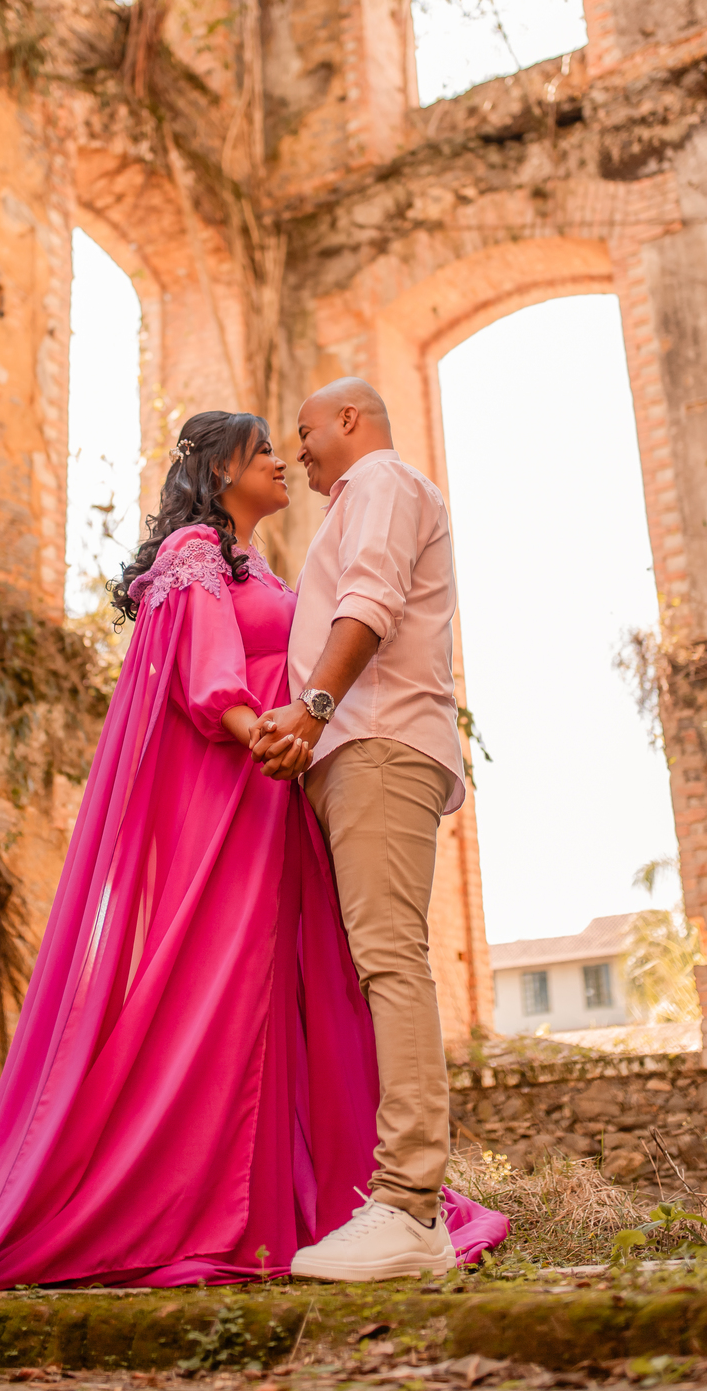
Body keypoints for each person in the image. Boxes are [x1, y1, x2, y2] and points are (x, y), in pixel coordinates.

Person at [0, 409, 506, 1382]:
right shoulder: (195, 554)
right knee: (219, 1003)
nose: (283, 461)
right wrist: (268, 731)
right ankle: (198, 1204)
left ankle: (302, 1210)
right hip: (237, 795)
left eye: (290, 443)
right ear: (226, 467)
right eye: (268, 448)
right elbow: (205, 673)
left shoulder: (268, 569)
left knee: (296, 1008)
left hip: (282, 803)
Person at [250, 379, 468, 1282]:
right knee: (375, 960)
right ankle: (402, 1205)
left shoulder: (379, 480)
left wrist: (311, 711)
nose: (298, 450)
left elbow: (369, 605)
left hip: (375, 742)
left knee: (388, 956)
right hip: (356, 752)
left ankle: (410, 1208)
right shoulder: (360, 498)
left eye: (304, 432)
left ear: (349, 420)